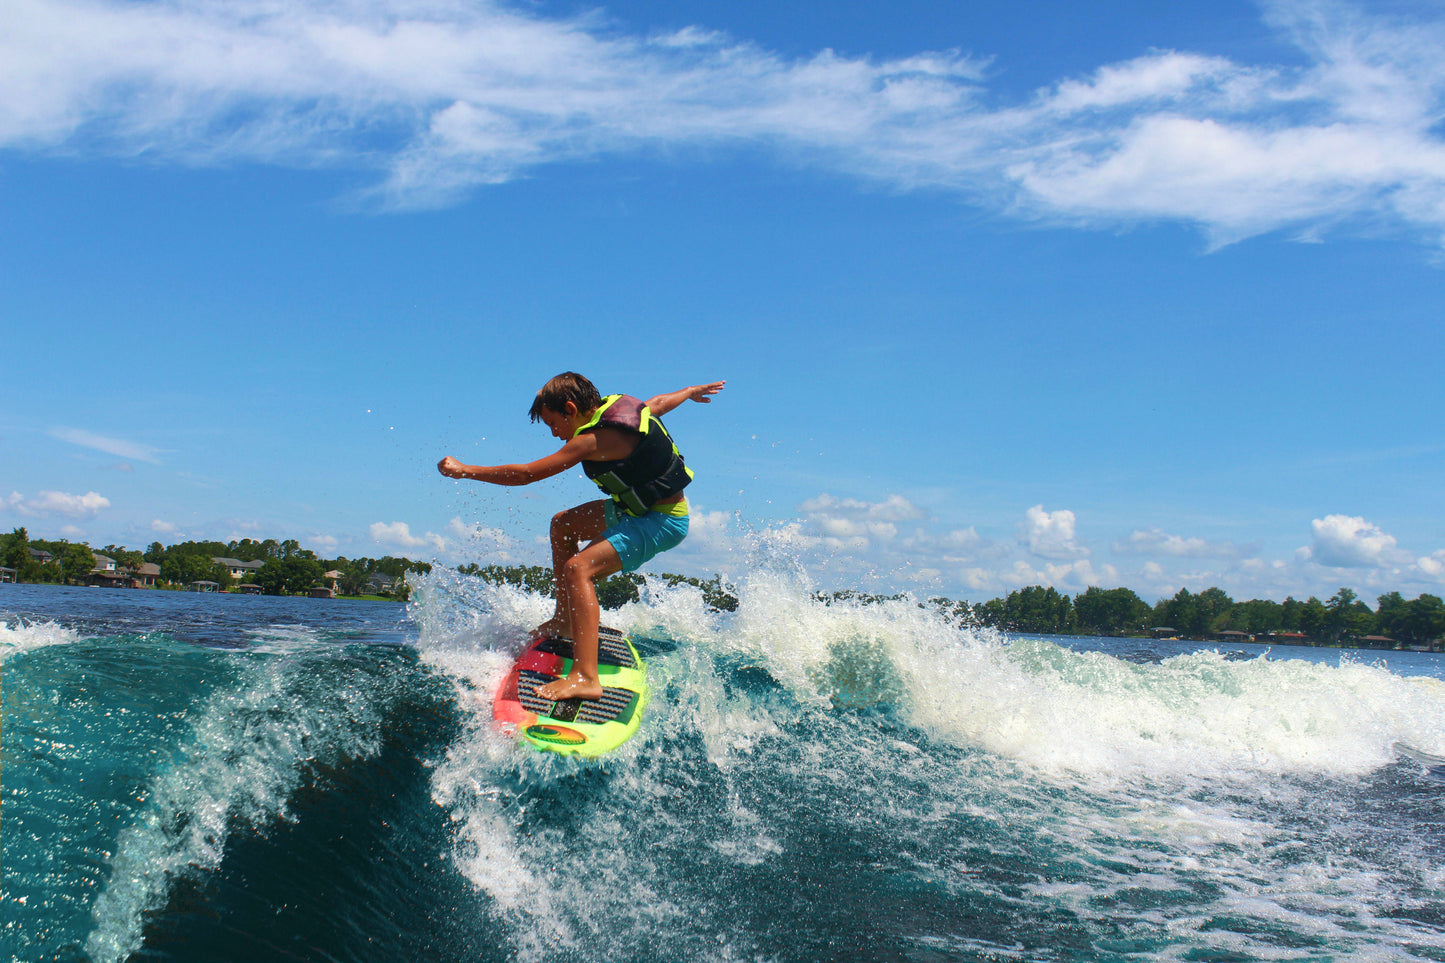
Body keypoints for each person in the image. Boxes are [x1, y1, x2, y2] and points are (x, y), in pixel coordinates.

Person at [438, 372, 725, 701]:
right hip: (632, 509)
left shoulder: (592, 439)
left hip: (661, 521)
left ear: (570, 409)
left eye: (553, 423)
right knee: (563, 525)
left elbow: (527, 474)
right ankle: (565, 622)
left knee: (579, 569)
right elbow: (658, 404)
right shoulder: (619, 408)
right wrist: (689, 391)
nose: (554, 433)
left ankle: (586, 677)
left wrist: (465, 470)